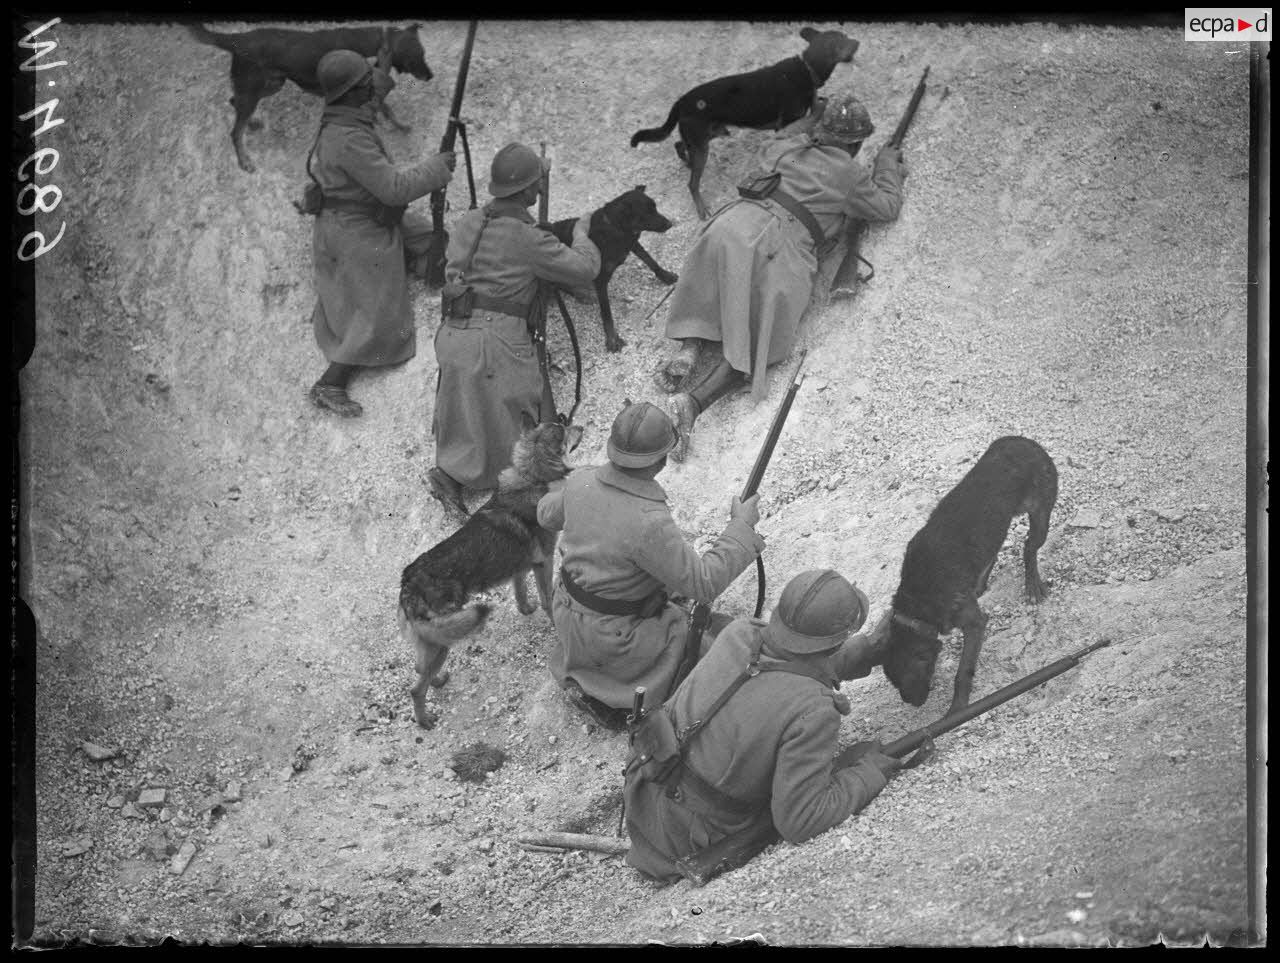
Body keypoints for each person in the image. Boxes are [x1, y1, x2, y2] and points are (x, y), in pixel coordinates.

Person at [653, 95, 908, 460]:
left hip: (731, 224)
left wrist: (810, 121)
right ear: (856, 143)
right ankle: (692, 403)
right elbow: (887, 207)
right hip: (777, 245)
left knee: (711, 285)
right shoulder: (850, 174)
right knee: (764, 338)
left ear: (820, 130)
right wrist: (886, 166)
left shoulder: (783, 147)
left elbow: (788, 134)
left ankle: (692, 346)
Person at [623, 568, 903, 883]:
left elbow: (780, 668)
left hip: (644, 794)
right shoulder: (813, 710)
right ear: (837, 642)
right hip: (688, 838)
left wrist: (864, 651)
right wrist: (868, 774)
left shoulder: (739, 633)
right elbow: (801, 820)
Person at [536, 402, 764, 728]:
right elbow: (704, 583)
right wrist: (740, 529)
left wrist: (580, 492)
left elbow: (546, 514)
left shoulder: (580, 482)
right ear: (661, 459)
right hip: (616, 639)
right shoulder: (649, 521)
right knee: (707, 646)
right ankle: (614, 699)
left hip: (568, 616)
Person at [428, 143, 601, 515]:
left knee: (466, 410)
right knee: (514, 409)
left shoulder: (470, 220)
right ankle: (513, 492)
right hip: (495, 338)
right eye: (536, 183)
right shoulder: (528, 237)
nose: (539, 189)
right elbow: (585, 270)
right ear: (526, 191)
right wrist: (582, 233)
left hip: (454, 331)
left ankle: (450, 475)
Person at [307, 49, 456, 418]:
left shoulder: (344, 115)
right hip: (353, 232)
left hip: (370, 219)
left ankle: (412, 263)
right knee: (375, 316)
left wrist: (388, 57)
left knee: (434, 241)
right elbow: (393, 189)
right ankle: (331, 381)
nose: (373, 89)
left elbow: (375, 89)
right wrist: (436, 169)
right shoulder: (348, 138)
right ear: (353, 91)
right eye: (365, 84)